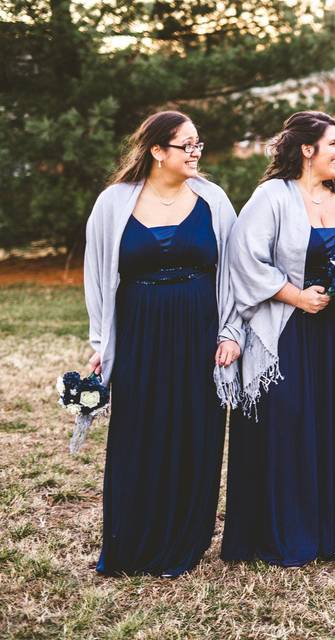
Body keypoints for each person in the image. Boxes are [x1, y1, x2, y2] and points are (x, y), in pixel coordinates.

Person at [83, 110, 242, 577]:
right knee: (139, 431)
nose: (196, 153)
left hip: (199, 328)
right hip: (139, 331)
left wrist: (230, 331)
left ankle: (184, 541)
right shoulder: (113, 203)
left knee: (195, 430)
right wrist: (102, 342)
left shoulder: (213, 200)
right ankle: (131, 542)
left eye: (198, 144)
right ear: (157, 150)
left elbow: (232, 272)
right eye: (186, 145)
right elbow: (98, 278)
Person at [222, 111, 335, 566]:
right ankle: (280, 532)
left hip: (331, 330)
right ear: (308, 149)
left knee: (324, 420)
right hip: (282, 329)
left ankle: (324, 532)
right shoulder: (271, 197)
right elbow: (245, 260)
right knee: (286, 422)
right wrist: (295, 296)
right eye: (333, 143)